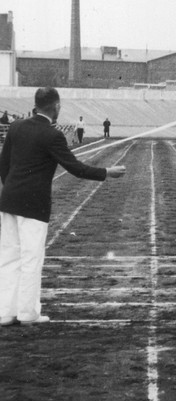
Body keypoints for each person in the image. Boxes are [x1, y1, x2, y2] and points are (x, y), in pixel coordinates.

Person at [0, 87, 126, 327]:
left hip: (9, 201)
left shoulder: (16, 127)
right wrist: (107, 172)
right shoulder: (52, 135)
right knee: (31, 259)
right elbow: (75, 168)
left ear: (36, 104)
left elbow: (3, 164)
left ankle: (5, 313)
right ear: (56, 106)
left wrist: (11, 191)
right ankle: (27, 313)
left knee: (8, 258)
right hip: (33, 204)